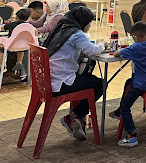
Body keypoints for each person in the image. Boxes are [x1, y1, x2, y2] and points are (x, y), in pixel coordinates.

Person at [44, 7, 104, 141]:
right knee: (100, 84)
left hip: (50, 81)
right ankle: (73, 116)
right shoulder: (76, 33)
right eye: (89, 23)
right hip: (62, 82)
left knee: (89, 79)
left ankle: (78, 118)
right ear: (83, 22)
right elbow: (92, 51)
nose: (89, 26)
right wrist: (103, 44)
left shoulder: (61, 29)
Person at [109, 21, 146, 148]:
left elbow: (117, 54)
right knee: (128, 82)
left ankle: (131, 135)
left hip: (140, 84)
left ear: (134, 37)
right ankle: (118, 112)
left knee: (125, 106)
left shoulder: (135, 48)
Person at [0, 8, 31, 82]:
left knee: (2, 49)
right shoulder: (28, 25)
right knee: (21, 50)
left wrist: (8, 23)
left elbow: (3, 28)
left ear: (16, 17)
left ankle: (0, 66)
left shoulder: (12, 24)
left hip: (10, 45)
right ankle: (19, 62)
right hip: (23, 45)